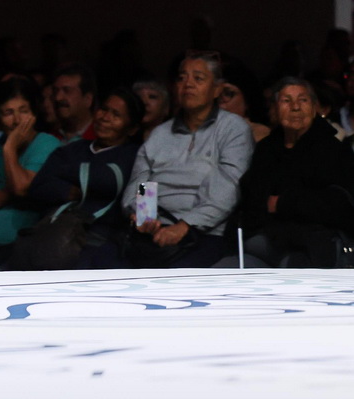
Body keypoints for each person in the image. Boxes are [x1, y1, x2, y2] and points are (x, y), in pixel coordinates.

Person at [100, 52, 253, 268]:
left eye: (198, 78)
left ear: (217, 89)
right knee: (102, 261)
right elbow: (142, 180)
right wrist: (145, 216)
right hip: (154, 229)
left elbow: (228, 187)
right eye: (182, 78)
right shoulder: (160, 134)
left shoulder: (233, 129)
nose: (188, 84)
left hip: (204, 234)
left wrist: (185, 225)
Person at [226, 78, 354, 267]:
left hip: (313, 247)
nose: (295, 107)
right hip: (264, 241)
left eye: (303, 100)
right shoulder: (266, 149)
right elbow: (253, 200)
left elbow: (339, 205)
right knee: (226, 267)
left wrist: (283, 203)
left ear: (314, 108)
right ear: (275, 109)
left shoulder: (334, 150)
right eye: (286, 100)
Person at [18, 87, 145, 270]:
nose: (105, 117)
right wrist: (70, 191)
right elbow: (38, 187)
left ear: (132, 128)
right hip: (57, 234)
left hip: (105, 240)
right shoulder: (71, 150)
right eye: (103, 109)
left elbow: (141, 190)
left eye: (116, 114)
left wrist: (75, 177)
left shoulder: (137, 156)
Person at [0, 77, 61, 256]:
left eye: (23, 111)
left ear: (34, 113)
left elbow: (20, 187)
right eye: (8, 113)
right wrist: (13, 192)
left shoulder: (47, 144)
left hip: (27, 249)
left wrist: (10, 149)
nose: (17, 120)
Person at [50, 64, 95, 143]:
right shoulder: (49, 139)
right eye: (55, 91)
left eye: (67, 90)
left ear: (87, 99)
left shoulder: (101, 139)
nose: (58, 98)